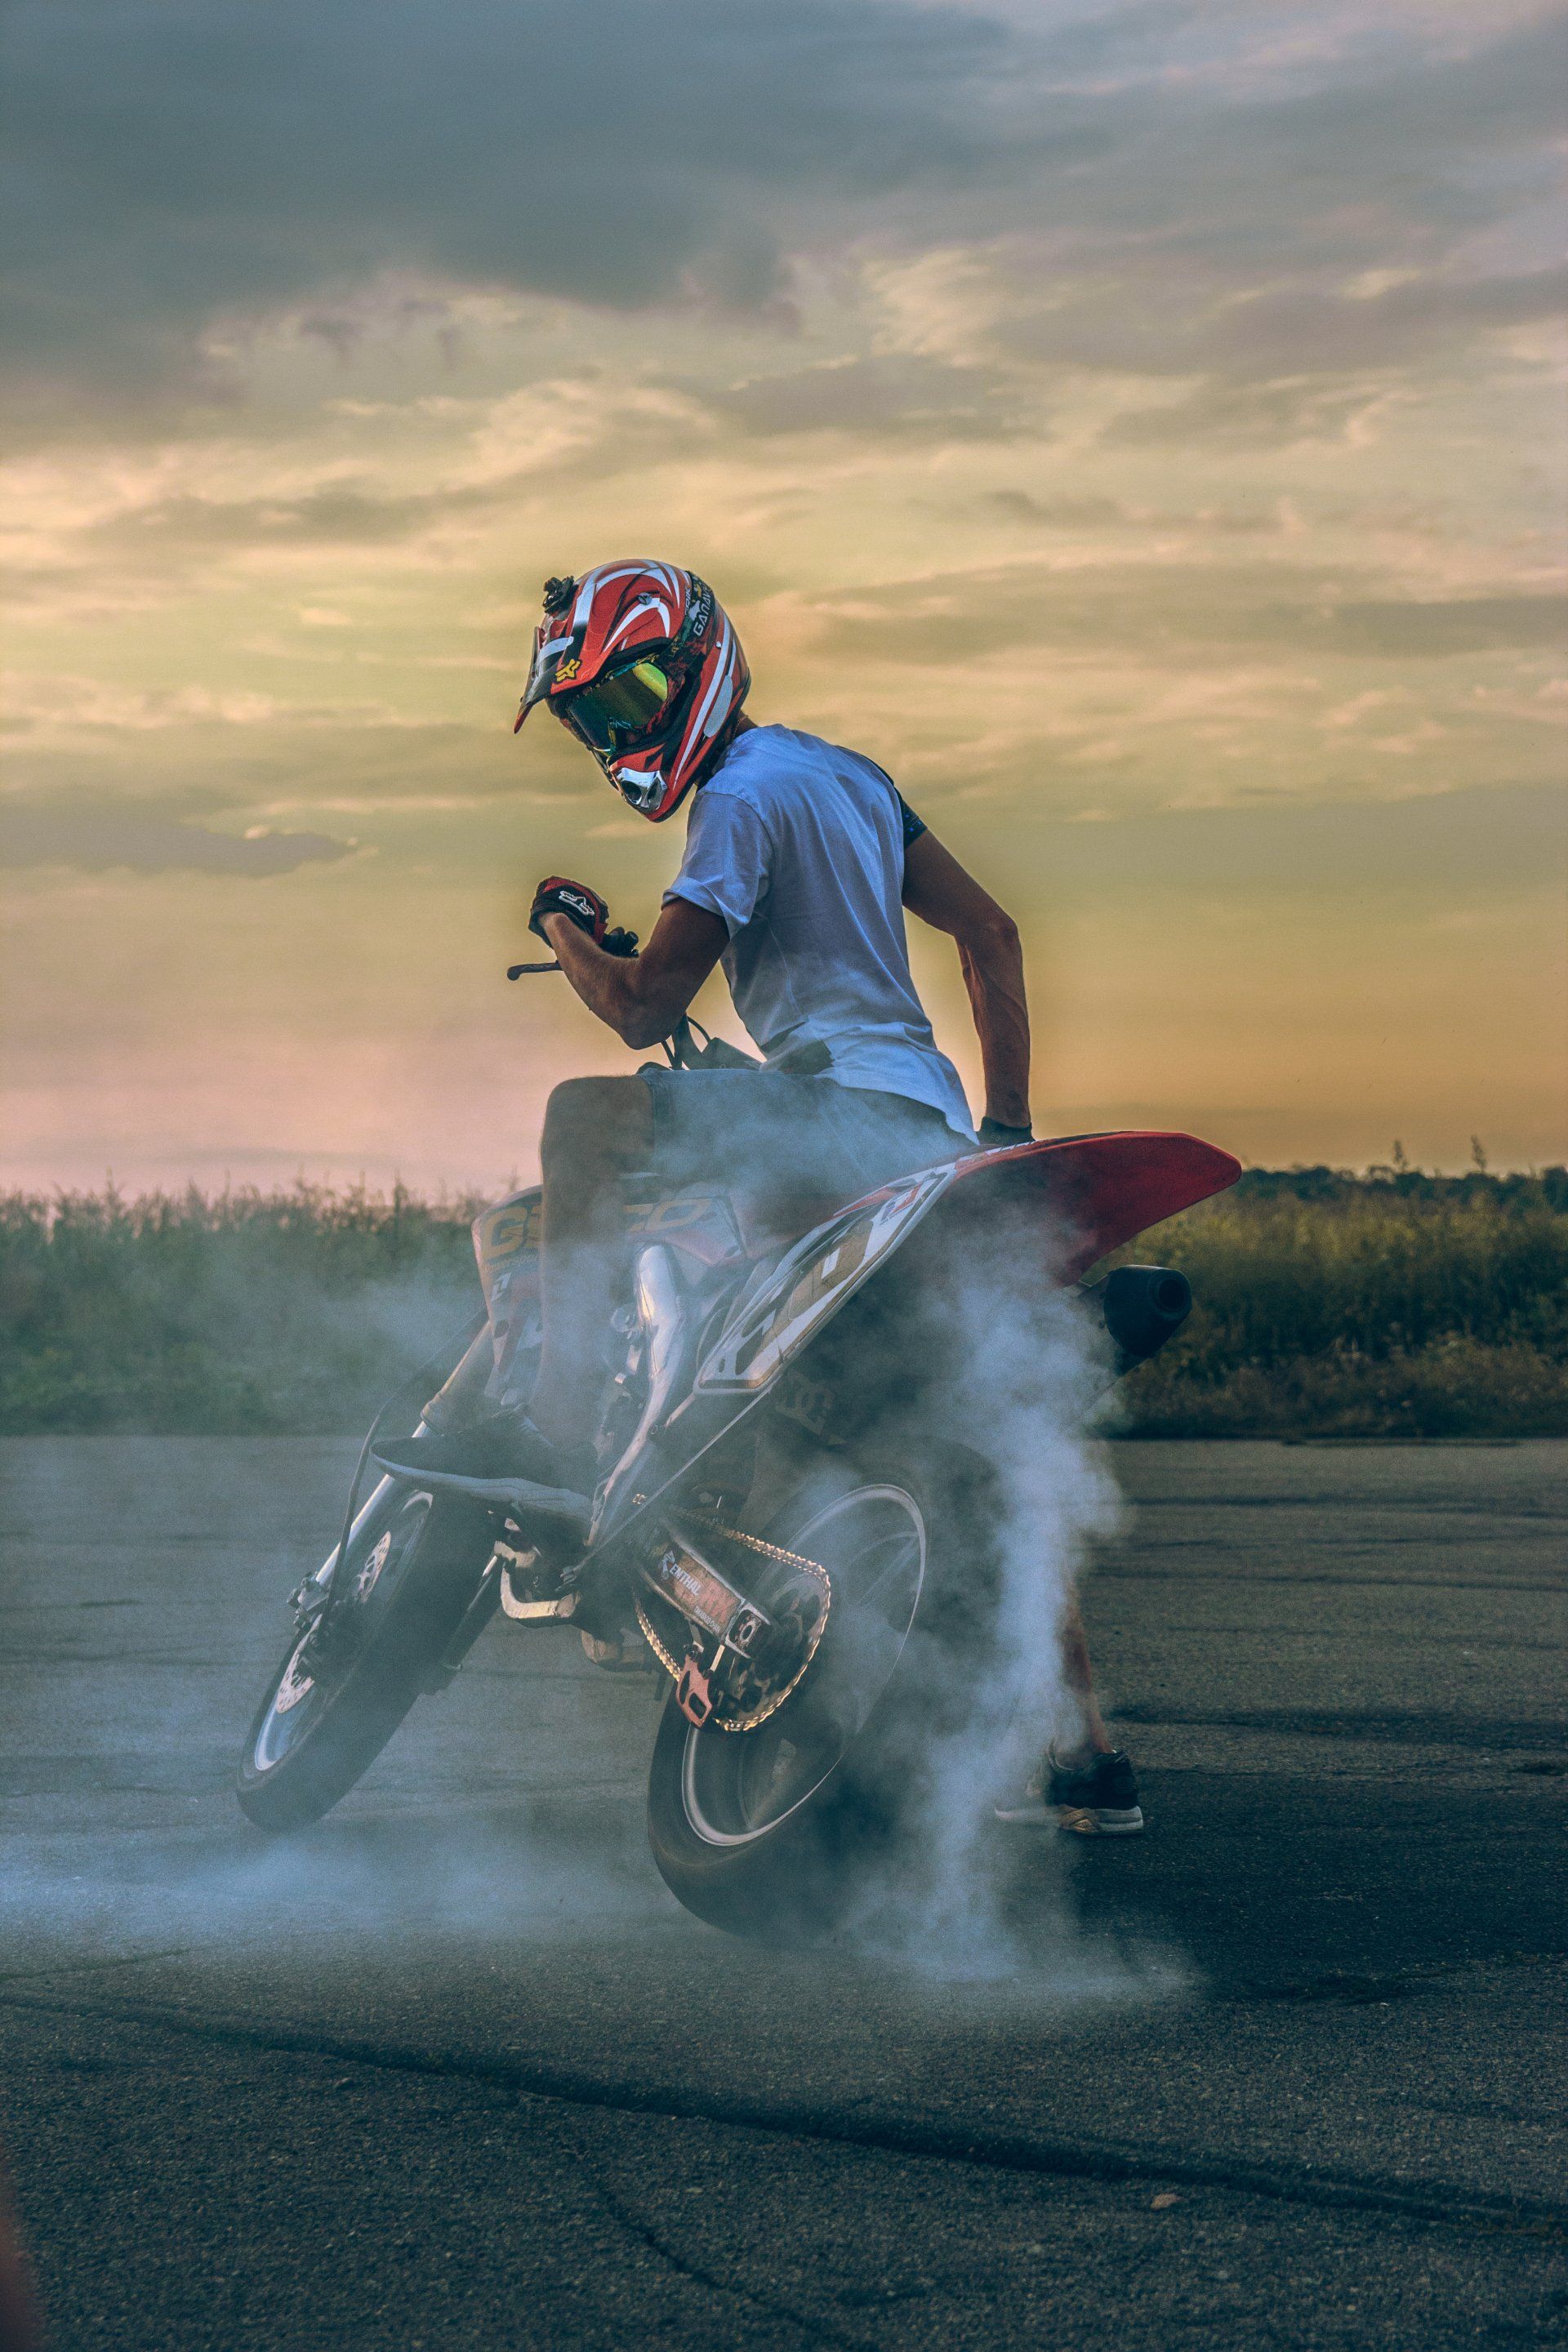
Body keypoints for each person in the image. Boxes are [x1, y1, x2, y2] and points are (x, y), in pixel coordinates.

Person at [376, 559, 1140, 1834]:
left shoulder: (733, 799)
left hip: (834, 1118)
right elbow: (993, 935)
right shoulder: (849, 777)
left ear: (699, 664)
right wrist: (1003, 1134)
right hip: (922, 1136)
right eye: (595, 714)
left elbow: (644, 1009)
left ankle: (557, 1440)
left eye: (632, 695)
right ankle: (1086, 1757)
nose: (618, 730)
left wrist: (563, 925)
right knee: (974, 1426)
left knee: (580, 1122)